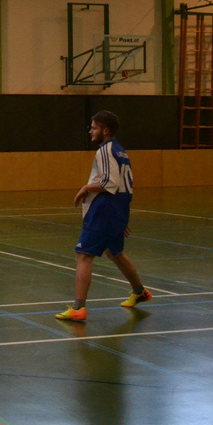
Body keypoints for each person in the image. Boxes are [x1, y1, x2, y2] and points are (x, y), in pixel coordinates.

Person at [56, 110, 152, 321]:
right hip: (116, 211)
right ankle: (139, 292)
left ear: (105, 130)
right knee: (114, 253)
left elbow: (110, 183)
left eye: (94, 128)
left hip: (104, 211)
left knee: (83, 255)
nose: (90, 131)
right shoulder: (120, 152)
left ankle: (78, 308)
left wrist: (85, 188)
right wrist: (120, 217)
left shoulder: (105, 150)